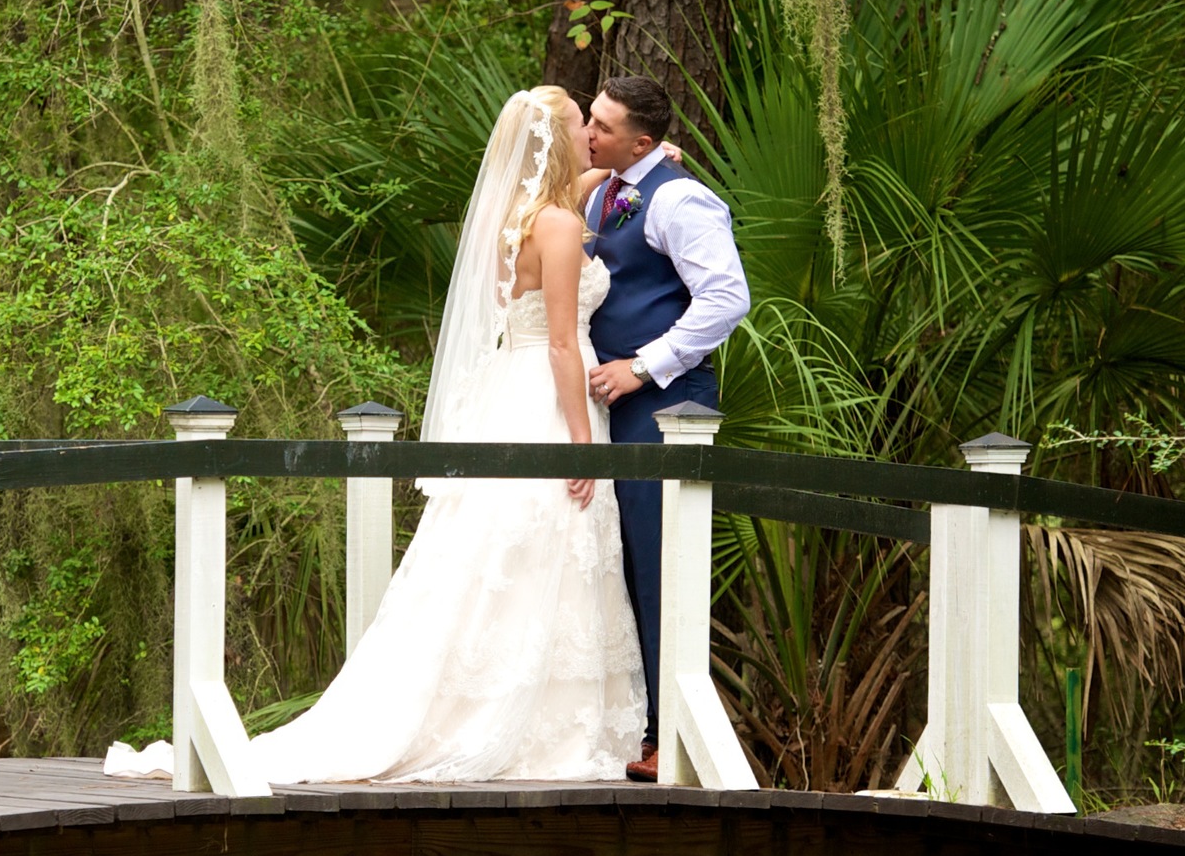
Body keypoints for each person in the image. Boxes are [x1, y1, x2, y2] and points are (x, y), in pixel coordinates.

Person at [105, 86, 645, 783]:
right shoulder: (563, 228)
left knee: (493, 555)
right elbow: (565, 345)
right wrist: (578, 441)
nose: (590, 139)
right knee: (550, 545)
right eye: (580, 128)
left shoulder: (512, 218)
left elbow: (573, 192)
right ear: (554, 142)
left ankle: (483, 699)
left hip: (503, 398)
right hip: (547, 401)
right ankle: (533, 723)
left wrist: (633, 165)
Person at [579, 74, 751, 781]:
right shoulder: (607, 187)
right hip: (602, 400)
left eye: (603, 126)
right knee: (610, 561)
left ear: (641, 141)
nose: (590, 134)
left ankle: (668, 737)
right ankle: (621, 722)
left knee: (658, 564)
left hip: (665, 406)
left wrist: (643, 368)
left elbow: (727, 297)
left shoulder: (679, 198)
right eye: (589, 120)